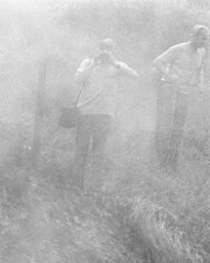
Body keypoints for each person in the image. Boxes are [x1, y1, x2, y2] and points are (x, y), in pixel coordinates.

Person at [71, 39, 138, 186]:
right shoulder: (87, 63)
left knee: (99, 152)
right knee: (81, 150)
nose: (105, 52)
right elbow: (78, 79)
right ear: (97, 49)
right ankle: (76, 185)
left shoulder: (117, 66)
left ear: (113, 51)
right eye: (102, 48)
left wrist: (113, 62)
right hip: (84, 113)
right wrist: (94, 62)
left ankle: (95, 186)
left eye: (108, 49)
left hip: (105, 114)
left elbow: (134, 75)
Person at [152, 25, 209, 170]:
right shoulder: (178, 49)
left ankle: (172, 162)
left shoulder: (201, 52)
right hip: (169, 91)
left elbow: (200, 69)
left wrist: (201, 84)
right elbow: (157, 61)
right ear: (194, 36)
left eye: (206, 39)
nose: (205, 42)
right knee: (165, 125)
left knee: (178, 128)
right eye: (203, 39)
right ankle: (159, 159)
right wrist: (168, 74)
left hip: (185, 93)